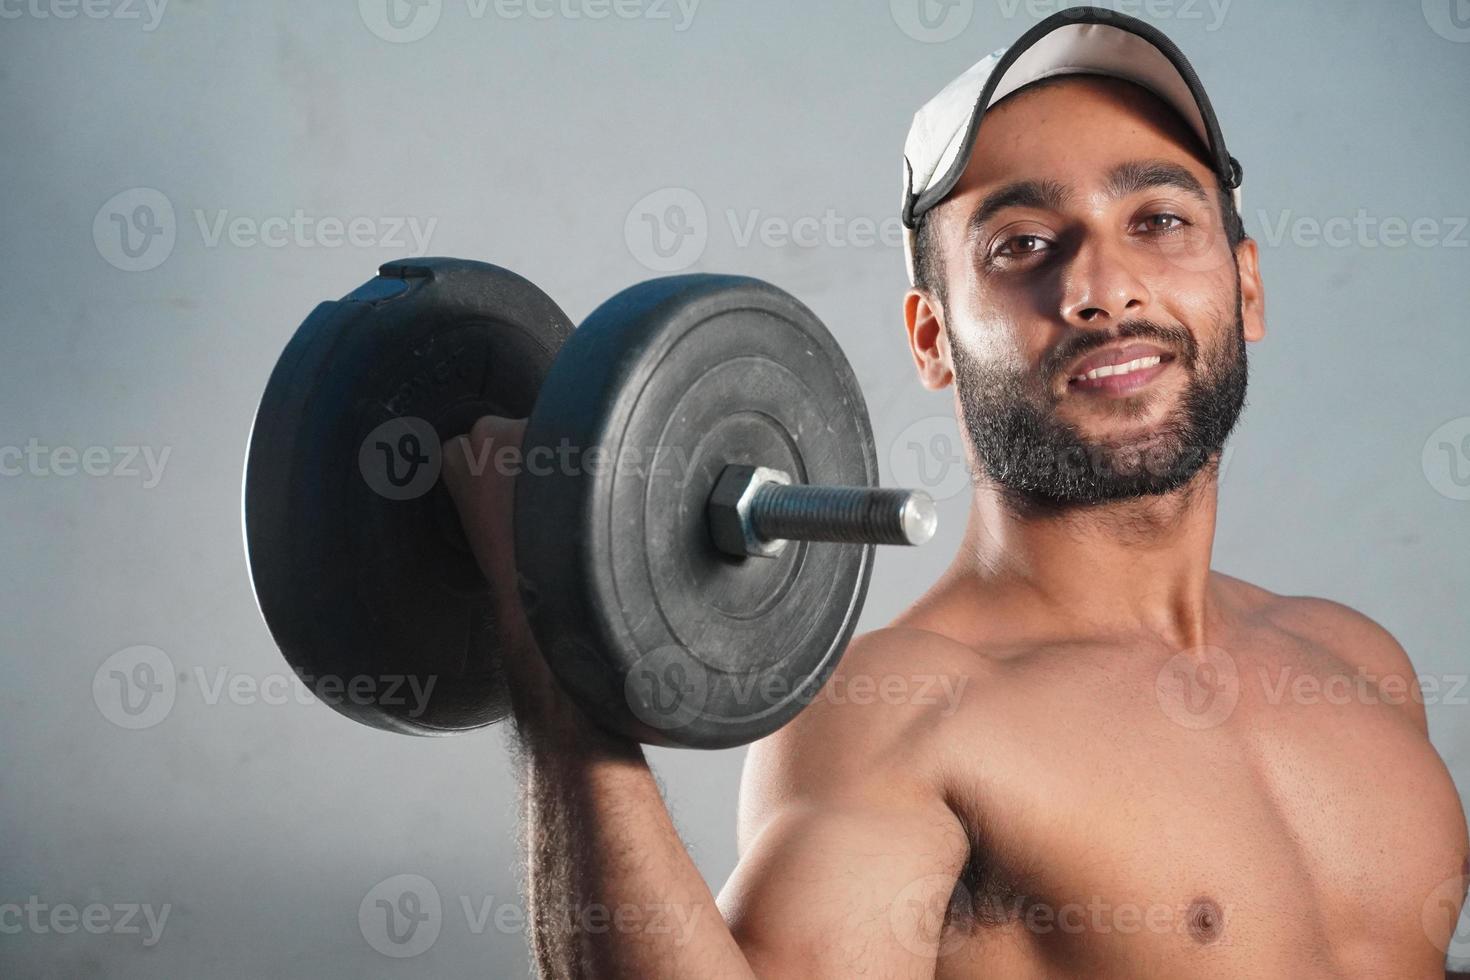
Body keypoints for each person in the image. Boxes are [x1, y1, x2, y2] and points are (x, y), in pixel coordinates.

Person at [443, 8, 1470, 977]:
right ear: (932, 337)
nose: (1104, 286)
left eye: (1157, 218)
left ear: (1245, 286)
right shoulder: (900, 715)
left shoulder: (1359, 661)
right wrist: (551, 643)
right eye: (1022, 243)